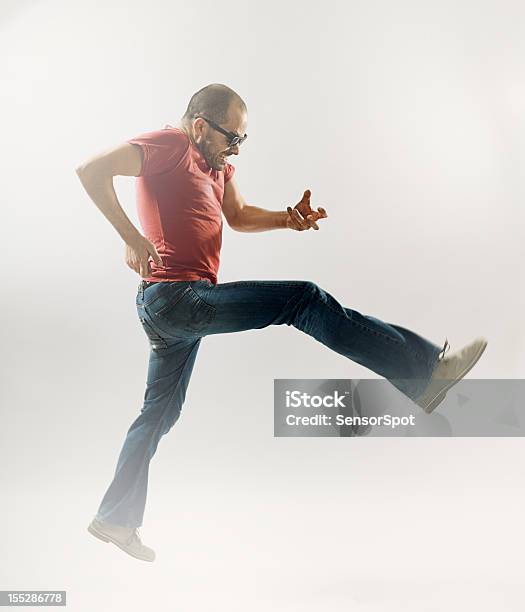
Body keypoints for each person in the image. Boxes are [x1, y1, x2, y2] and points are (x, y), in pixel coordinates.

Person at [76, 83, 487, 562]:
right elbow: (91, 171)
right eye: (231, 137)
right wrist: (131, 237)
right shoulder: (170, 145)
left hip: (177, 307)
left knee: (159, 414)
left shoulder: (217, 166)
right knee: (301, 299)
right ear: (201, 125)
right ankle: (423, 371)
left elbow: (239, 215)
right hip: (176, 298)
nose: (235, 149)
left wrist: (286, 220)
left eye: (242, 141)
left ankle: (115, 518)